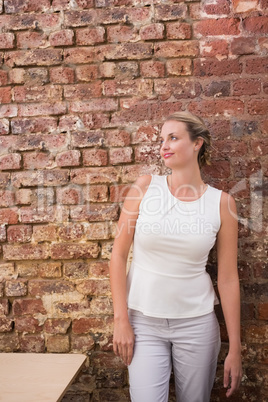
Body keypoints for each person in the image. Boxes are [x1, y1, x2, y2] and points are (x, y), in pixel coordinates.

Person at [109, 111, 242, 402]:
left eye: (173, 137)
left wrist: (235, 348)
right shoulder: (144, 188)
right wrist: (121, 320)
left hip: (197, 325)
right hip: (143, 322)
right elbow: (118, 256)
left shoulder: (222, 203)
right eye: (161, 140)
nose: (164, 146)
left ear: (198, 143)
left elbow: (229, 277)